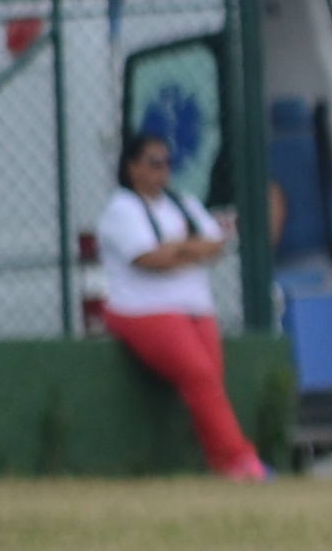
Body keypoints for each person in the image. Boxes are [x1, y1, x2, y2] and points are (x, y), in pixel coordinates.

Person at [87, 125, 270, 478]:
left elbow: (215, 245)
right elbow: (149, 259)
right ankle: (241, 460)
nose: (163, 170)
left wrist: (179, 249)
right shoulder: (121, 209)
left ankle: (222, 465)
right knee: (200, 375)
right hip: (143, 310)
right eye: (154, 163)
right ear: (132, 167)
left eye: (167, 163)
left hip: (195, 308)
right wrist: (188, 247)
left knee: (210, 379)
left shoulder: (182, 202)